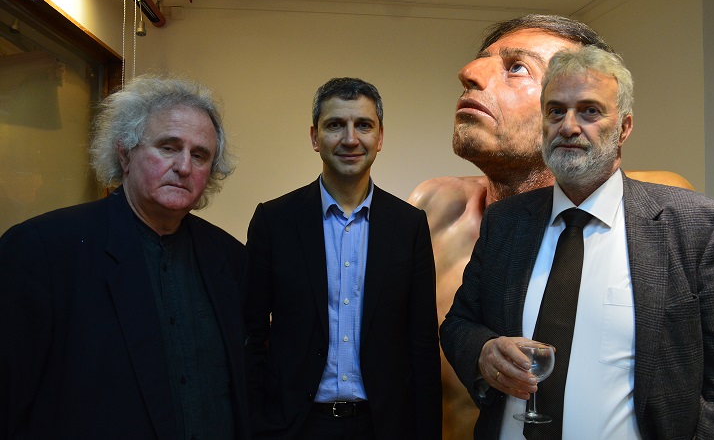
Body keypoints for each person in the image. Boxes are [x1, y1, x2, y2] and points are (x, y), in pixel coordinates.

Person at [440, 45, 714, 439]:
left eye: (589, 111)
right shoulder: (506, 222)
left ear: (624, 127)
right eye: (555, 111)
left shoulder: (697, 226)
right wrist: (482, 352)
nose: (569, 127)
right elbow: (458, 324)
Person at [407, 14, 694, 439]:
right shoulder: (435, 209)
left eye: (517, 67)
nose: (468, 72)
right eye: (482, 60)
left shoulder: (659, 213)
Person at [0, 74, 250, 439]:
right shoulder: (43, 249)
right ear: (124, 152)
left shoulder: (230, 258)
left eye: (199, 155)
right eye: (168, 147)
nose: (184, 166)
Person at [245, 77, 442, 440]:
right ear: (314, 137)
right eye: (335, 125)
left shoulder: (408, 225)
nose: (350, 139)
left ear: (380, 137)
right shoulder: (274, 222)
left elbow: (423, 344)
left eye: (363, 125)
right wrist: (255, 424)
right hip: (295, 427)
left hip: (383, 426)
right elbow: (251, 336)